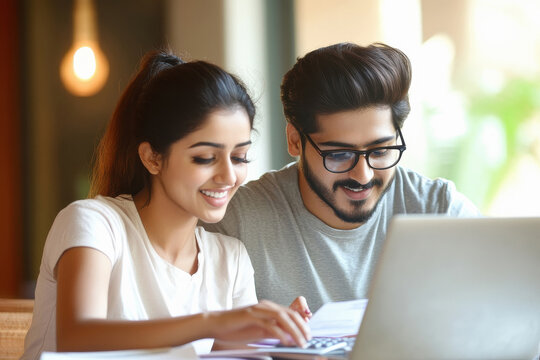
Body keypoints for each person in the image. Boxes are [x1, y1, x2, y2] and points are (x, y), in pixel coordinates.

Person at [21, 50, 311, 360]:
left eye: (239, 157)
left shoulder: (231, 259)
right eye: (205, 158)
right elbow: (77, 338)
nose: (229, 175)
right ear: (152, 158)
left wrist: (276, 338)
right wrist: (214, 321)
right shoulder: (95, 224)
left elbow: (232, 354)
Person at [203, 42, 480, 312]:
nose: (363, 175)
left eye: (381, 150)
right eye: (338, 154)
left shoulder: (440, 210)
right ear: (294, 141)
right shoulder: (236, 222)